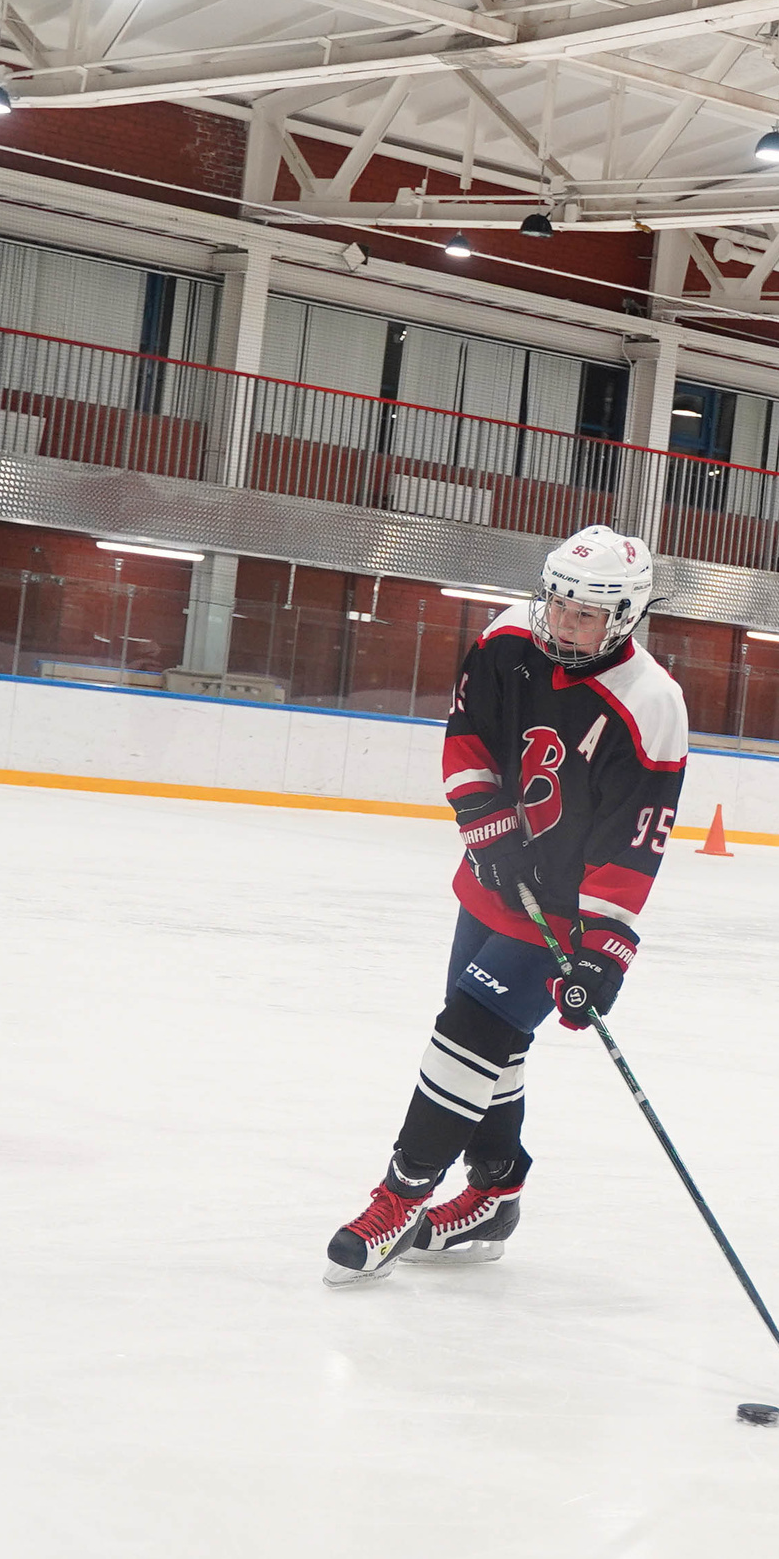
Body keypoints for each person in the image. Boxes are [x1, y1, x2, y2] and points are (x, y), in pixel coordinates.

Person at [325, 525, 688, 1285]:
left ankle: (399, 1199)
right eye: (557, 605)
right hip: (491, 884)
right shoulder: (505, 638)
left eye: (584, 615)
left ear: (623, 616)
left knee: (468, 1031)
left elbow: (634, 842)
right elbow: (468, 737)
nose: (562, 623)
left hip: (561, 912)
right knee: (492, 1052)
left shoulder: (651, 702)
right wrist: (486, 825)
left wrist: (603, 953)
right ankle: (495, 1191)